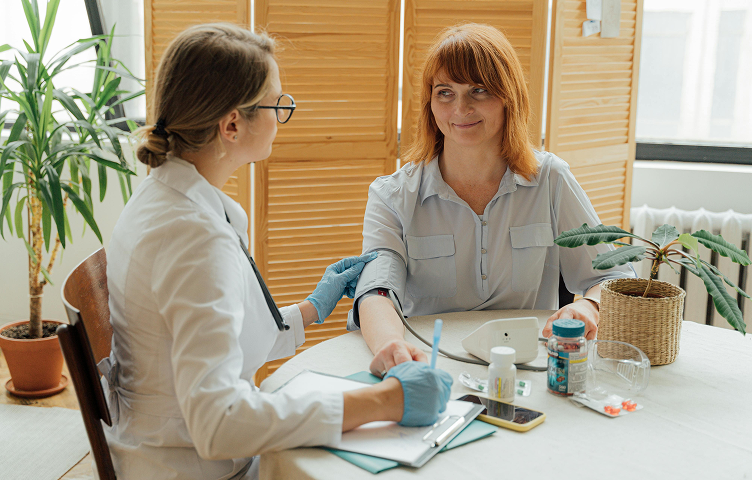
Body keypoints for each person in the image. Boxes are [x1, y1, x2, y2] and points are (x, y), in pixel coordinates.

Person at [101, 24, 452, 480]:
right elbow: (219, 424)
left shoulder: (164, 198)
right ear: (231, 124)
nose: (283, 114)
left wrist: (308, 310)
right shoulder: (194, 238)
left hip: (165, 446)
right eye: (277, 104)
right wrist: (383, 402)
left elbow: (205, 342)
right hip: (192, 466)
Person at [350, 24, 635, 375]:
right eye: (445, 92)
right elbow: (375, 292)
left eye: (479, 90)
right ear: (430, 103)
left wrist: (589, 308)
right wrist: (390, 345)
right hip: (429, 366)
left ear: (509, 96)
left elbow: (614, 277)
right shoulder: (392, 196)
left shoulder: (551, 179)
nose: (461, 108)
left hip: (529, 369)